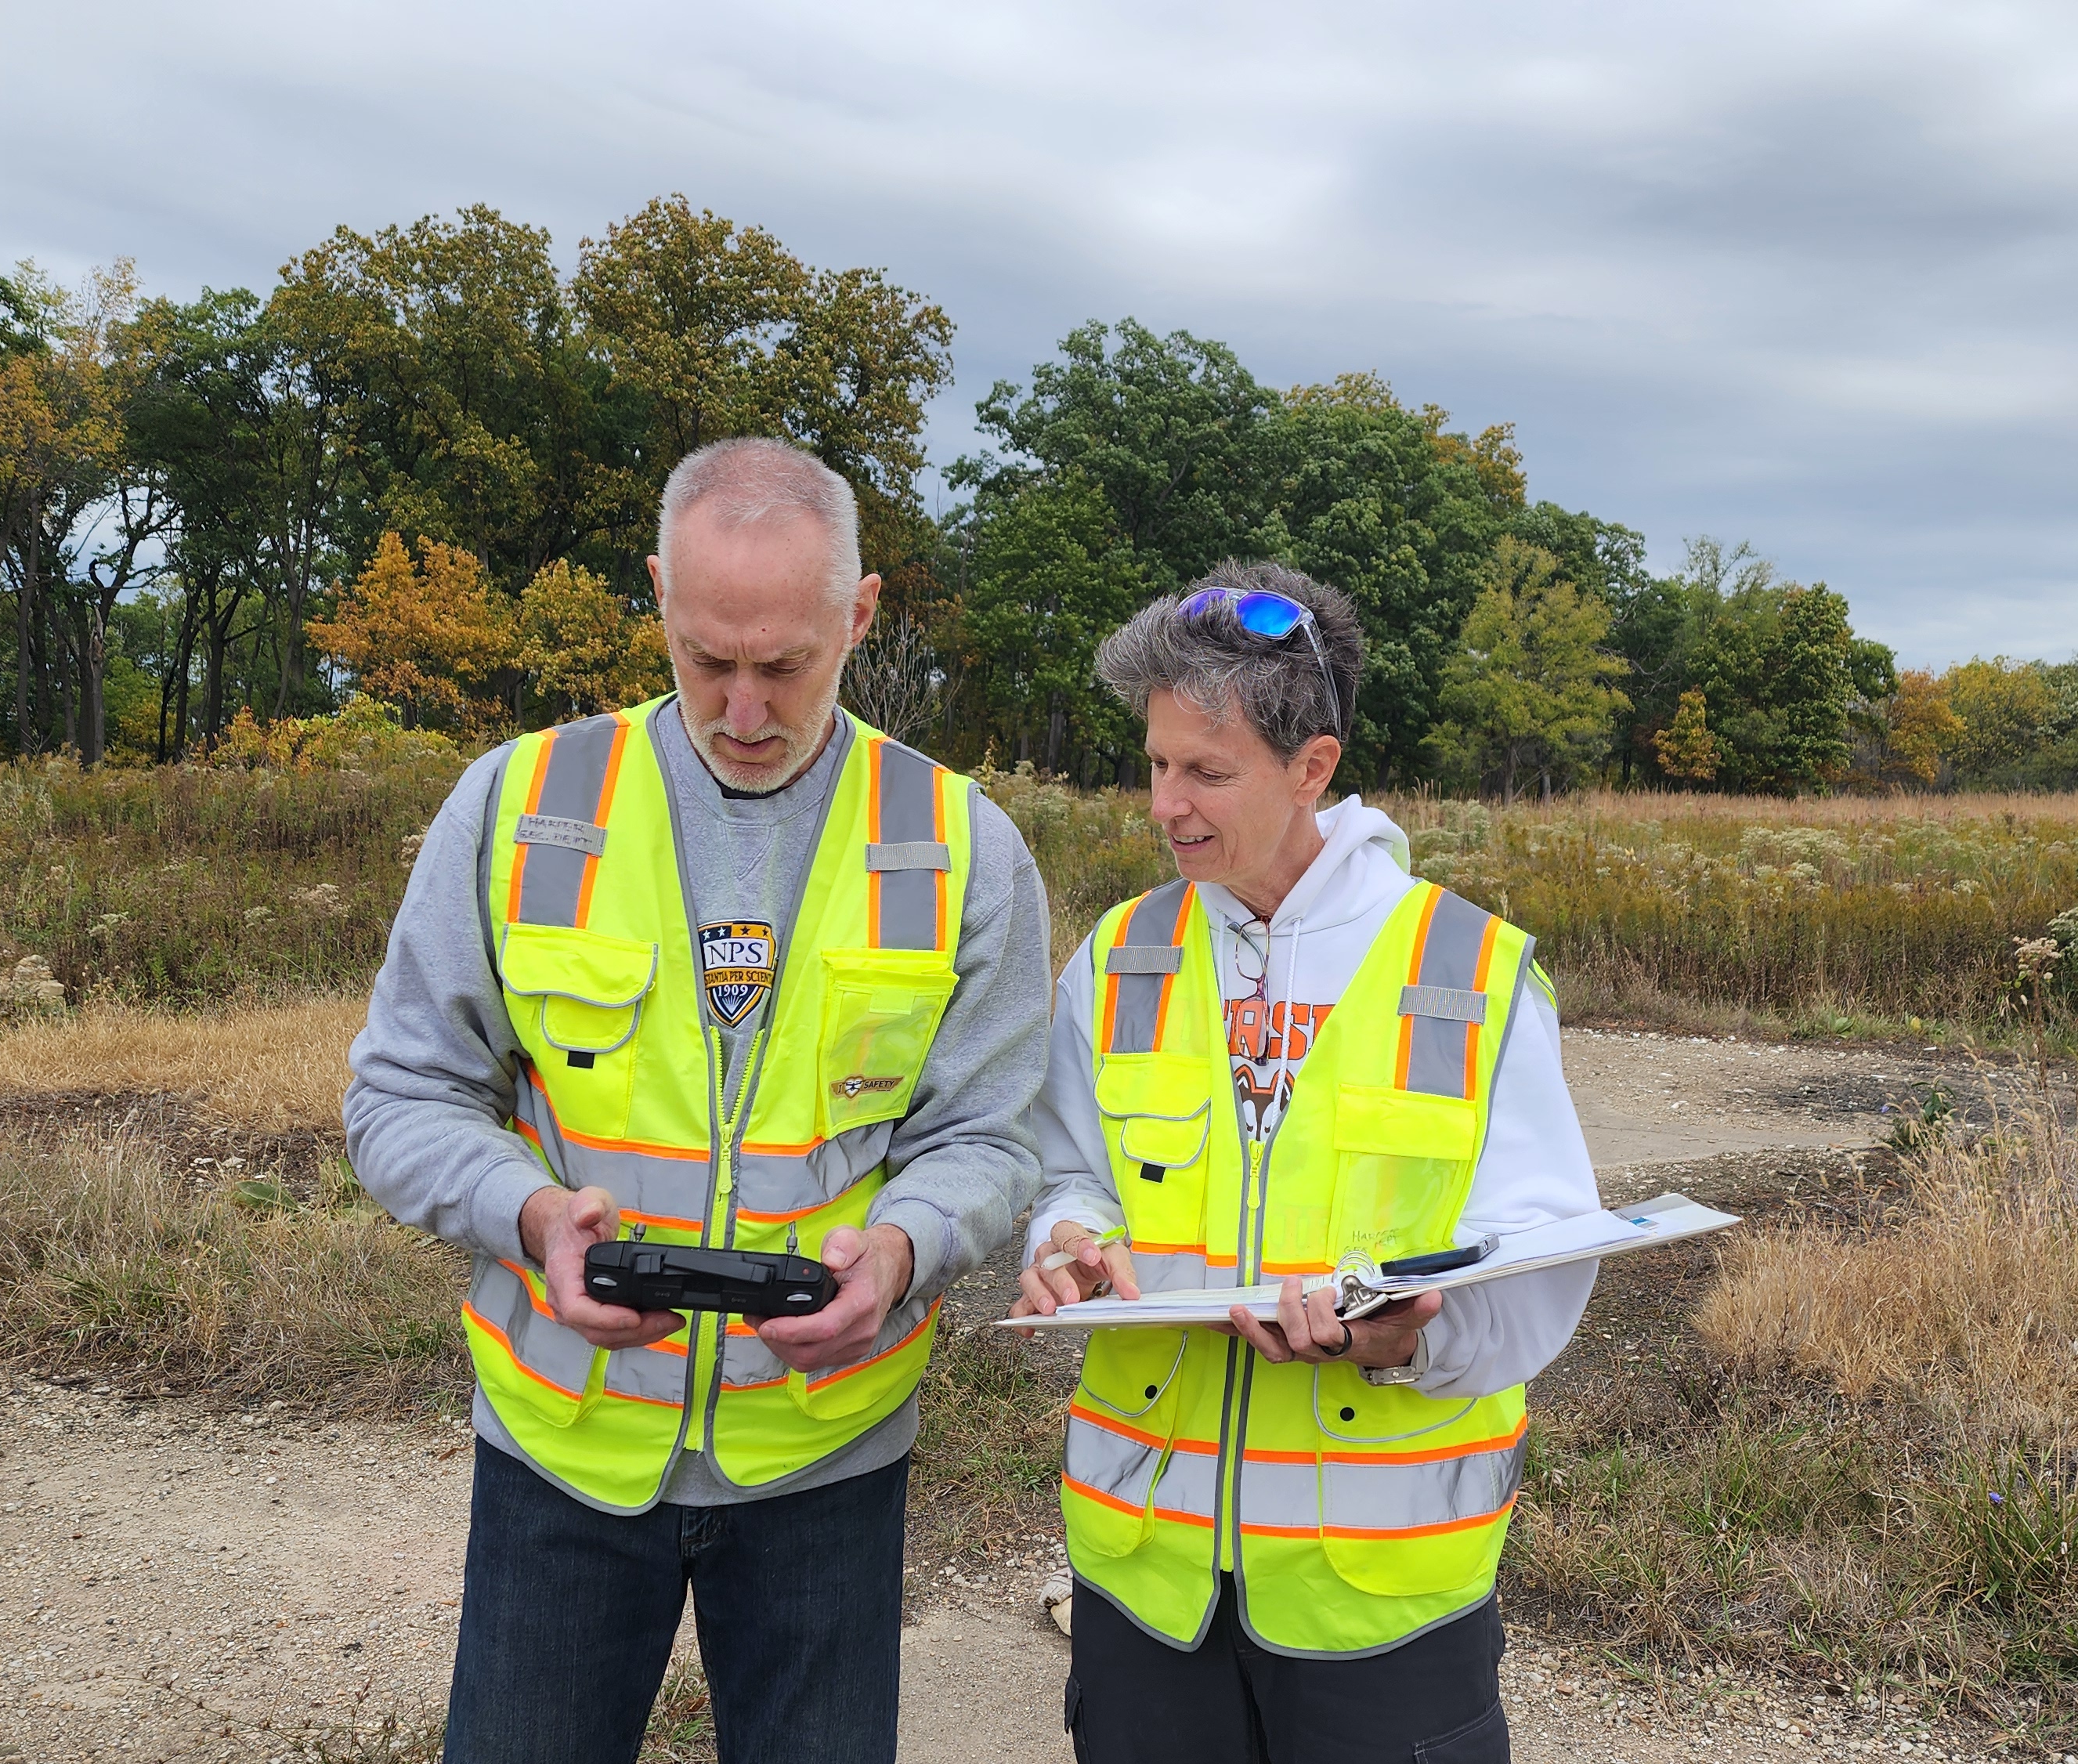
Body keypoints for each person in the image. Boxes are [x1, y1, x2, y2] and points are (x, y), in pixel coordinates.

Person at [344, 437, 1051, 1764]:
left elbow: (989, 1136)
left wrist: (904, 1251)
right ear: (660, 594)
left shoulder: (963, 844)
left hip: (825, 1457)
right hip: (562, 1448)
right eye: (705, 657)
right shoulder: (521, 805)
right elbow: (401, 1095)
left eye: (785, 666)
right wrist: (529, 1216)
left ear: (861, 615)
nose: (742, 708)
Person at [1014, 562, 1603, 1764]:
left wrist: (1413, 1341)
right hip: (1145, 1576)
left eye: (1207, 772)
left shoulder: (1466, 971)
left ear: (1312, 767)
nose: (1166, 805)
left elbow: (1547, 1258)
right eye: (1156, 764)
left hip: (1382, 1600)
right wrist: (1065, 1240)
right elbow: (1067, 1171)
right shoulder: (1120, 956)